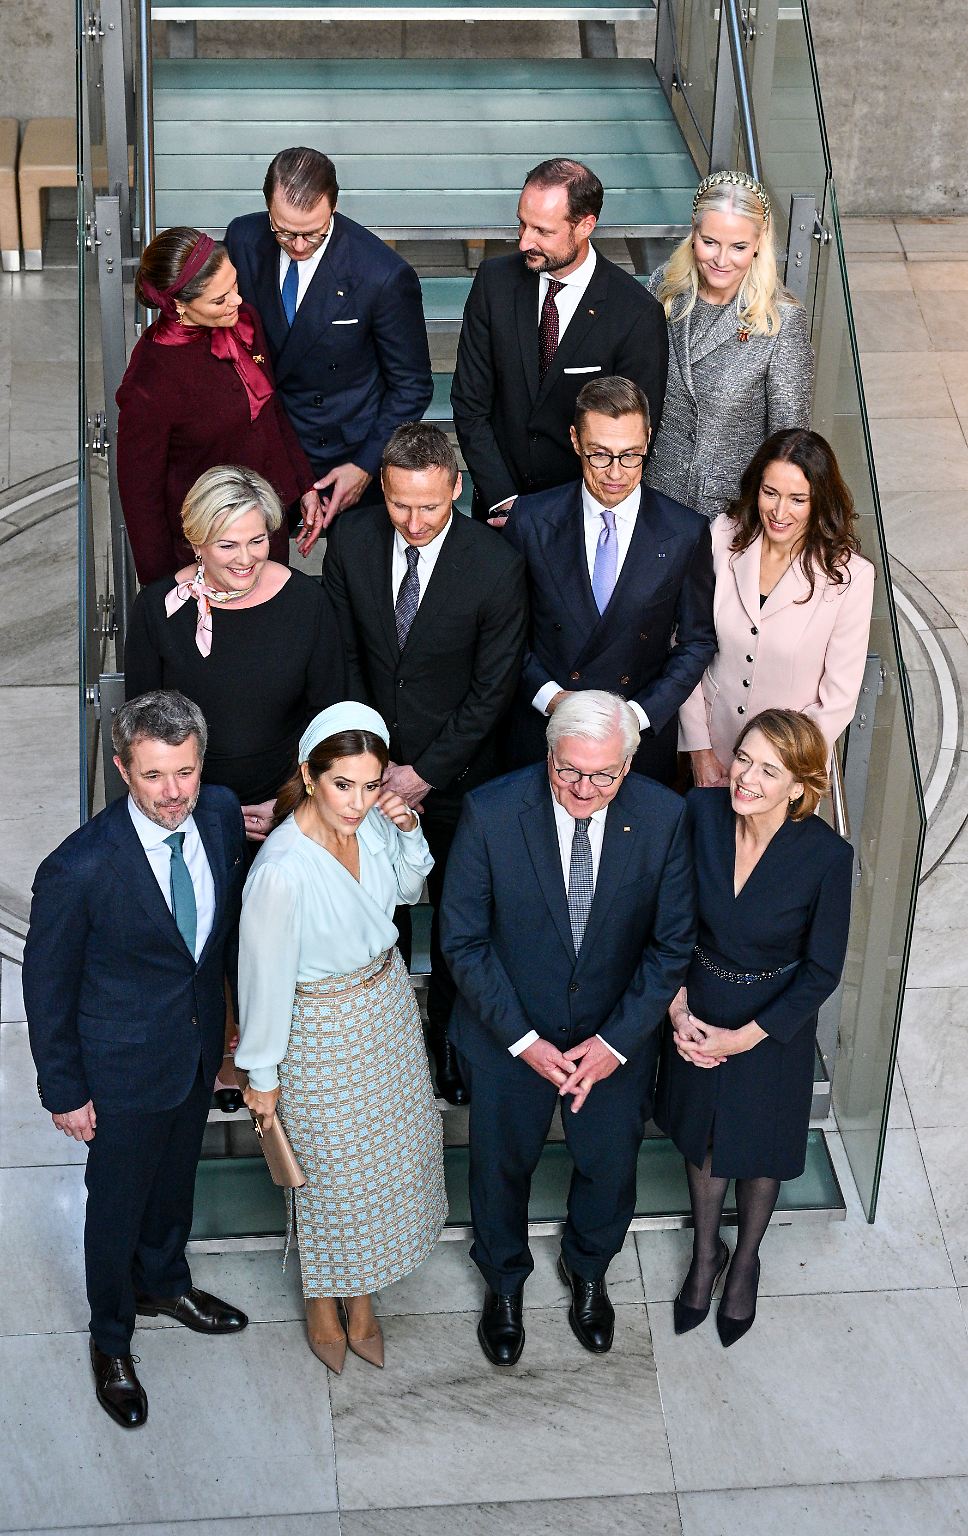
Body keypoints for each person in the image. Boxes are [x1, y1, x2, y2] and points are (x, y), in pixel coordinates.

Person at [441, 692, 695, 1367]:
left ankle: (588, 1270)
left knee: (609, 1169)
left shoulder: (664, 817)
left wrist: (614, 1044)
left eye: (603, 775)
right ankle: (503, 1283)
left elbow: (671, 947)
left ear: (628, 765)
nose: (584, 789)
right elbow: (463, 942)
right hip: (508, 1038)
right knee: (498, 1170)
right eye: (568, 770)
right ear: (548, 752)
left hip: (613, 1041)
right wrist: (524, 1042)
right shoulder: (491, 812)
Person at [22, 691, 248, 1429]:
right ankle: (111, 1338)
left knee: (175, 1185)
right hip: (119, 1070)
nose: (173, 792)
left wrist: (227, 1029)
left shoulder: (219, 814)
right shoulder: (78, 867)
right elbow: (47, 989)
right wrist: (64, 1090)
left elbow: (213, 941)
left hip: (195, 1053)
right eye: (153, 775)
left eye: (185, 771)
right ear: (122, 769)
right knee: (115, 1210)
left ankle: (165, 1283)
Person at [124, 465, 346, 1110]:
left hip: (288, 801)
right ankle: (222, 1051)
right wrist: (204, 806)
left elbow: (329, 716)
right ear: (196, 540)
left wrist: (290, 801)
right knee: (205, 933)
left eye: (257, 541)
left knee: (282, 933)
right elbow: (146, 725)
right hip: (192, 805)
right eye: (227, 545)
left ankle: (285, 1050)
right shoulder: (158, 609)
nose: (246, 558)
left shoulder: (307, 603)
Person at [236, 703, 447, 1373]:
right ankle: (322, 1297)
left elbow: (409, 890)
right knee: (326, 1175)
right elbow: (263, 979)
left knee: (381, 1163)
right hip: (316, 1029)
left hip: (385, 1009)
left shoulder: (375, 826)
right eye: (342, 785)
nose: (357, 802)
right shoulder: (281, 869)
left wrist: (408, 827)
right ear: (309, 774)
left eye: (370, 785)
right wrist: (262, 1077)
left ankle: (360, 1291)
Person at [323, 422, 527, 1106]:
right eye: (400, 504)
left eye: (431, 507)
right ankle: (381, 1044)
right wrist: (371, 758)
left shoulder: (496, 564)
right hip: (368, 770)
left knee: (457, 923)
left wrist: (424, 772)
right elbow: (344, 656)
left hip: (459, 780)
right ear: (381, 488)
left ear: (457, 489)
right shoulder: (351, 542)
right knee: (375, 912)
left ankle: (447, 1042)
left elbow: (493, 690)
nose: (414, 522)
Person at [655, 709, 853, 1346]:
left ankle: (745, 1262)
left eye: (770, 770)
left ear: (800, 786)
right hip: (698, 1001)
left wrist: (744, 1038)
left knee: (758, 1149)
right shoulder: (700, 813)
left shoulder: (827, 856)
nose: (746, 777)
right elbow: (667, 916)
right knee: (703, 1140)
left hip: (772, 1023)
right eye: (744, 758)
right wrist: (676, 1006)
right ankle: (705, 1254)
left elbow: (822, 971)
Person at [502, 375, 716, 786]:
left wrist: (637, 716)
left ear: (648, 439)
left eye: (631, 455)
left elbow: (698, 641)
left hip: (639, 741)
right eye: (599, 455)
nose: (616, 473)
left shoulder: (685, 531)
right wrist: (551, 698)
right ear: (575, 440)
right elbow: (504, 632)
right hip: (542, 731)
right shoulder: (531, 520)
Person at [225, 147, 433, 538]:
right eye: (284, 231)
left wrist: (366, 465)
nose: (299, 245)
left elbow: (412, 385)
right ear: (267, 207)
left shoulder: (381, 273)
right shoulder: (243, 237)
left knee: (353, 564)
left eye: (313, 233)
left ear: (334, 207)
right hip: (267, 442)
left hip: (345, 454)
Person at [451, 158, 668, 522]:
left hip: (582, 518)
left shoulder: (635, 313)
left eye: (543, 231)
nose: (524, 241)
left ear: (585, 226)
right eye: (522, 223)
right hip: (498, 511)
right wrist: (503, 499)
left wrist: (564, 518)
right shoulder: (493, 282)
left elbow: (632, 435)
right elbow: (470, 404)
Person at [116, 226, 322, 583]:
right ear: (179, 305)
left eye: (235, 285)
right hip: (210, 547)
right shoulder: (150, 381)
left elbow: (270, 410)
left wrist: (304, 484)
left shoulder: (244, 320)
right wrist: (162, 591)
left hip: (265, 523)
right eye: (219, 299)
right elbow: (140, 499)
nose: (237, 301)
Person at [679, 428, 875, 788]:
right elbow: (686, 645)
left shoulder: (852, 578)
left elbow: (839, 699)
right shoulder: (722, 536)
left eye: (798, 499)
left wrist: (773, 773)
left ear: (820, 500)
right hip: (711, 752)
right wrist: (699, 750)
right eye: (770, 493)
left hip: (785, 769)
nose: (779, 512)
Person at [644, 169, 814, 521]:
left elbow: (789, 444)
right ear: (693, 232)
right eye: (710, 242)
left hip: (728, 514)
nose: (721, 261)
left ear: (759, 243)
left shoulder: (781, 320)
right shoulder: (665, 287)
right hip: (652, 498)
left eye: (738, 247)